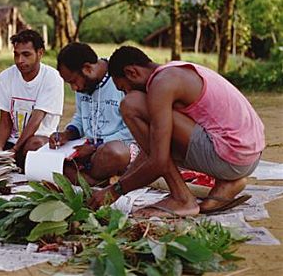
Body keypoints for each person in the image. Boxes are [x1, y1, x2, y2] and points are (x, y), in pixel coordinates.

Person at [88, 46, 265, 217]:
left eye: (124, 88)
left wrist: (115, 191)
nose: (126, 93)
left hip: (229, 157)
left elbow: (158, 160)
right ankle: (228, 182)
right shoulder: (173, 71)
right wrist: (125, 178)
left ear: (132, 72)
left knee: (131, 105)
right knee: (159, 139)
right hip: (248, 157)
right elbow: (150, 148)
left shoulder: (162, 84)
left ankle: (182, 198)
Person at [0, 29, 64, 169]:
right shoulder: (6, 76)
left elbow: (35, 120)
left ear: (40, 53)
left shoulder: (52, 77)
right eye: (16, 54)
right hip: (12, 142)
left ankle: (12, 165)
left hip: (40, 140)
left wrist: (14, 150)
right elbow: (5, 120)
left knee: (34, 146)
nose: (20, 60)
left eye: (26, 54)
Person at [49, 43, 136, 186]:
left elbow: (131, 131)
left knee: (115, 153)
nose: (74, 88)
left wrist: (96, 147)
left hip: (118, 148)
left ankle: (86, 180)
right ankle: (98, 182)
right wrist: (67, 134)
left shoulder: (120, 79)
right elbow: (80, 117)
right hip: (88, 151)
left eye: (73, 82)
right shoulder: (85, 86)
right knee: (40, 150)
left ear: (88, 68)